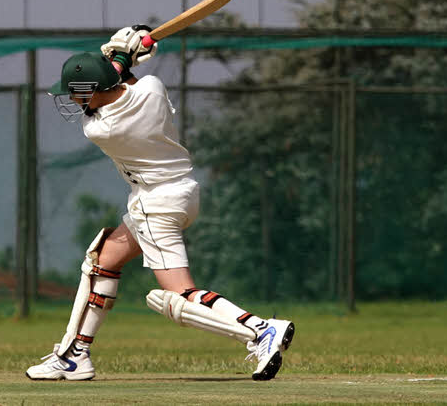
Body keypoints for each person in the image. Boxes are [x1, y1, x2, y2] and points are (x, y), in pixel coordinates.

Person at [26, 25, 294, 382]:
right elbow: (122, 79)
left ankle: (260, 329)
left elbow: (110, 86)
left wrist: (122, 54)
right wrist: (124, 54)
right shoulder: (152, 88)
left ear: (93, 89)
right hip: (182, 192)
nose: (73, 99)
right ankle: (74, 354)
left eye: (76, 92)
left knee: (178, 295)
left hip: (156, 205)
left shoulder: (102, 130)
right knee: (102, 260)